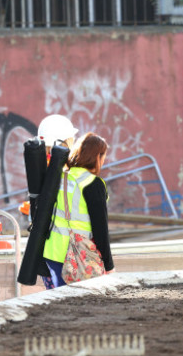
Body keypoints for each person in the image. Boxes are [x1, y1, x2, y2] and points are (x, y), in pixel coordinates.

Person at [42, 132, 115, 287]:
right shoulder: (93, 184)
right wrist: (109, 266)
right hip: (79, 255)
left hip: (52, 251)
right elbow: (101, 229)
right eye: (103, 157)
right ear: (97, 157)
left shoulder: (59, 176)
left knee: (58, 303)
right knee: (81, 305)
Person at [19, 114, 79, 289]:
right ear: (64, 141)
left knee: (52, 292)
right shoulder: (62, 170)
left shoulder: (39, 166)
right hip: (63, 248)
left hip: (44, 248)